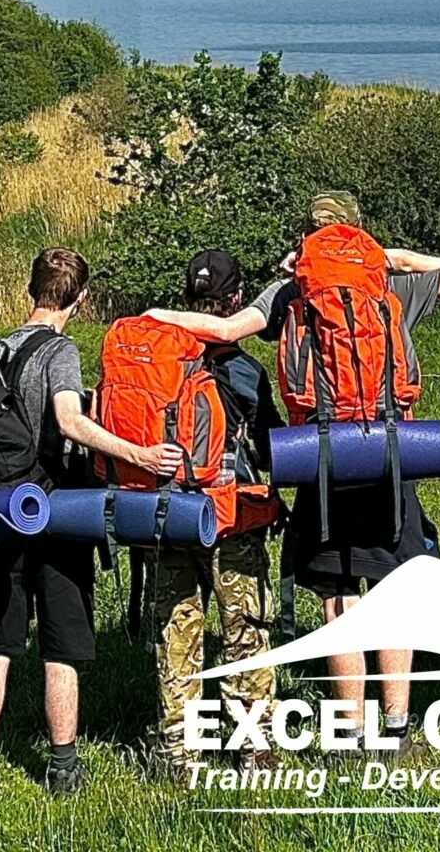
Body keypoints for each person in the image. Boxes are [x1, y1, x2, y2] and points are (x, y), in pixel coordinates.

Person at [147, 193, 440, 759]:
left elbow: (227, 329)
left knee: (338, 597)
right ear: (359, 233)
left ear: (305, 238)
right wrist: (400, 258)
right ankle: (397, 730)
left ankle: (349, 732)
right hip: (390, 454)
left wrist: (158, 317)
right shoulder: (390, 287)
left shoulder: (291, 293)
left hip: (318, 456)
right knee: (395, 589)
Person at [0, 249, 182, 796]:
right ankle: (62, 770)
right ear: (81, 299)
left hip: (1, 510)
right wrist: (140, 455)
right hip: (58, 510)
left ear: (29, 289)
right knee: (62, 645)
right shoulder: (59, 351)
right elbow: (68, 422)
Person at [147, 250, 282, 776]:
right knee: (244, 625)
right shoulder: (245, 371)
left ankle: (179, 751)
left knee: (176, 628)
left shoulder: (155, 361)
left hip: (161, 513)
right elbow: (270, 451)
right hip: (229, 517)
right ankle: (254, 747)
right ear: (234, 302)